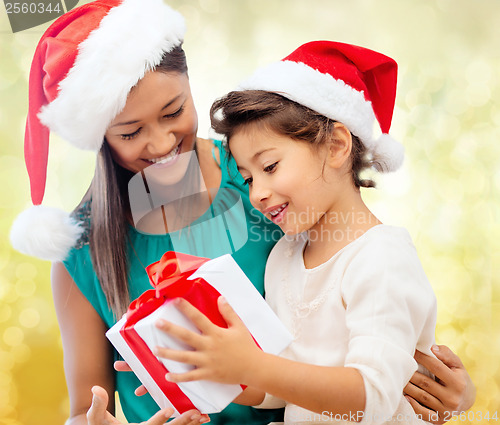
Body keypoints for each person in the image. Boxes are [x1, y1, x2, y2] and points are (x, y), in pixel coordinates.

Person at [8, 0, 474, 422]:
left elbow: (370, 321)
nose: (162, 143)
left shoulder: (264, 173)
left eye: (174, 112)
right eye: (130, 132)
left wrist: (447, 393)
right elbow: (87, 410)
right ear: (99, 137)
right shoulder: (83, 249)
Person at [147, 41, 476, 424]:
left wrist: (255, 367)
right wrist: (209, 364)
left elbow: (372, 400)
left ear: (336, 145)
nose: (258, 194)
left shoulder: (381, 258)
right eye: (248, 178)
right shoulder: (284, 257)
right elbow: (278, 389)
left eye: (269, 166)